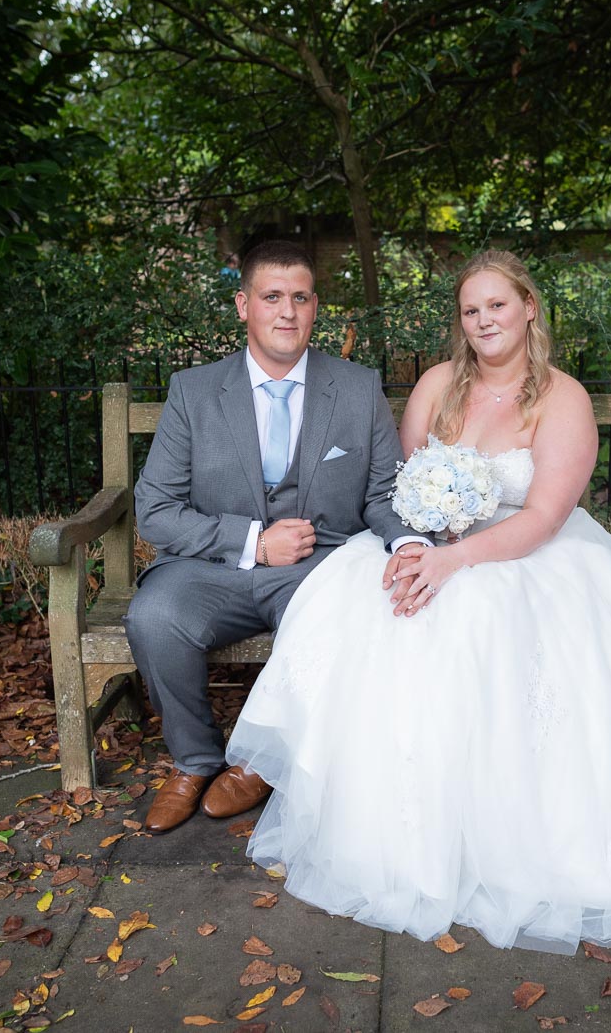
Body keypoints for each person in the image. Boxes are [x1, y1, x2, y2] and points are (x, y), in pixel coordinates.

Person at [224, 249, 611, 953]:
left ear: (529, 308)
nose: (484, 321)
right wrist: (418, 548)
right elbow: (402, 489)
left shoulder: (560, 399)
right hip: (437, 548)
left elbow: (541, 518)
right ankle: (384, 821)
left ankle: (503, 835)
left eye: (497, 306)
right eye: (471, 310)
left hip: (536, 560)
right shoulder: (438, 386)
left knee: (477, 622)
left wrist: (455, 559)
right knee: (361, 603)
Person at [127, 240, 428, 834]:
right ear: (244, 305)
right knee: (154, 616)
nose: (286, 311)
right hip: (212, 567)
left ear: (315, 307)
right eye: (271, 297)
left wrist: (406, 542)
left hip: (318, 568)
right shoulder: (193, 391)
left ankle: (265, 763)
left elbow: (383, 494)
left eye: (299, 297)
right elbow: (155, 510)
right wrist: (253, 543)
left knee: (342, 619)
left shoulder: (359, 387)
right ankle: (194, 761)